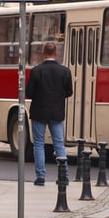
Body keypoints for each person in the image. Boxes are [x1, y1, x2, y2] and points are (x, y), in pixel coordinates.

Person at [25, 41, 73, 186]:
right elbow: (69, 92)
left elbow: (29, 93)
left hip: (39, 112)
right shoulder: (65, 71)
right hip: (57, 113)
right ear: (56, 53)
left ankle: (40, 177)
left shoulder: (37, 71)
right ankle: (63, 176)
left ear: (43, 54)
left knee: (39, 144)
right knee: (59, 144)